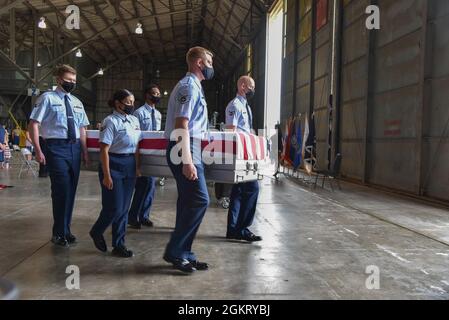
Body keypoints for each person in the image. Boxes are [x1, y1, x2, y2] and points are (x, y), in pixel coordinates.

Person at [162, 46, 214, 273]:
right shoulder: (188, 87)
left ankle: (185, 253)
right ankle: (175, 251)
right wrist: (187, 160)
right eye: (209, 62)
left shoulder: (195, 87)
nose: (212, 67)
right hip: (183, 145)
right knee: (200, 200)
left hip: (190, 145)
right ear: (200, 63)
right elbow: (181, 124)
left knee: (187, 202)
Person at [28, 64, 90, 247]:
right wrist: (38, 150)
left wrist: (85, 151)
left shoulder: (77, 102)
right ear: (59, 80)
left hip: (75, 148)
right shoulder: (47, 98)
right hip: (55, 148)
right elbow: (33, 124)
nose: (71, 83)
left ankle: (66, 229)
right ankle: (58, 233)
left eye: (74, 81)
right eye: (68, 80)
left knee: (71, 190)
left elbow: (82, 128)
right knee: (61, 189)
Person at [89, 89, 142, 258]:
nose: (131, 105)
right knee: (114, 208)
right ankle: (97, 231)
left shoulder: (134, 120)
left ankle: (119, 244)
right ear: (118, 103)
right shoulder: (110, 121)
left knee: (124, 209)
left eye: (133, 102)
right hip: (113, 164)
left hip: (130, 164)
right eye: (128, 102)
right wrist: (107, 175)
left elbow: (137, 147)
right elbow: (104, 150)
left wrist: (137, 166)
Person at [225, 75, 262, 242]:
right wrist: (233, 157)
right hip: (240, 155)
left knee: (239, 192)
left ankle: (233, 229)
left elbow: (246, 130)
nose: (253, 90)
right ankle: (243, 228)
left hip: (247, 152)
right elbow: (230, 131)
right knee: (253, 188)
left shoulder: (245, 106)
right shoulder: (234, 105)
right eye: (251, 87)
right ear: (242, 86)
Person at [128, 84, 162, 229]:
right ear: (148, 95)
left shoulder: (159, 114)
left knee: (151, 188)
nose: (157, 96)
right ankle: (133, 216)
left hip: (153, 154)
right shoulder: (139, 113)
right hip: (141, 153)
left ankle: (144, 216)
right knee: (143, 186)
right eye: (154, 93)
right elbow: (136, 135)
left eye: (159, 94)